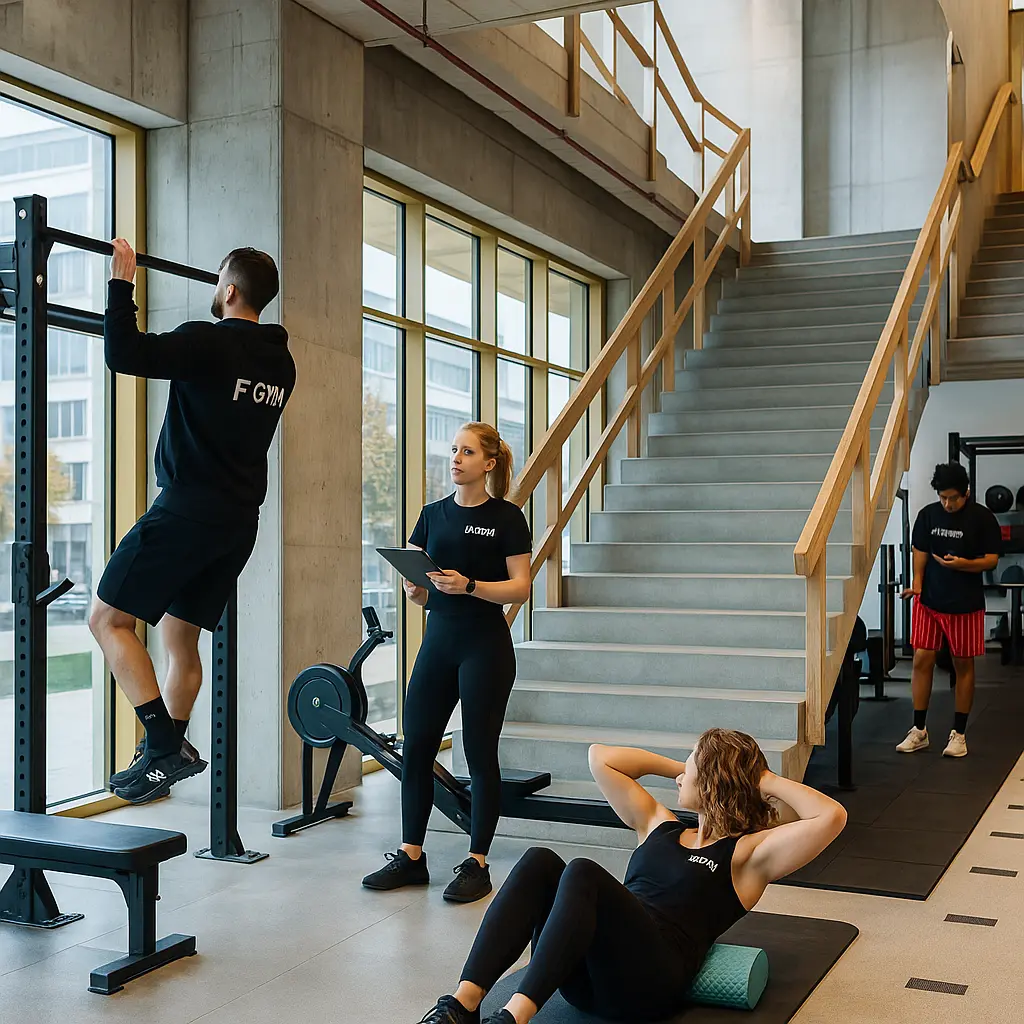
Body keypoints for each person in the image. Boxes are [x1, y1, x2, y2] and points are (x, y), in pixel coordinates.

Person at [413, 729, 847, 1024]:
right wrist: (689, 765)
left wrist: (763, 778)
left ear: (714, 779)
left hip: (649, 984)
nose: (682, 772)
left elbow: (831, 817)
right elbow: (600, 757)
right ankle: (462, 1004)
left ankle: (514, 1015)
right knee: (539, 860)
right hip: (586, 977)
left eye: (692, 763)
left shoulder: (747, 855)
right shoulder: (658, 824)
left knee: (582, 872)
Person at [89, 239, 295, 804]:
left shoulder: (207, 340)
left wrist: (121, 284)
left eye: (217, 282)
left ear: (229, 291)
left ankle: (160, 743)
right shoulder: (281, 362)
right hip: (237, 524)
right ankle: (165, 755)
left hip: (187, 510)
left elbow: (124, 354)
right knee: (180, 638)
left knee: (106, 619)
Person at [362, 423, 532, 904]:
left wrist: (472, 585)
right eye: (454, 450)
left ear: (489, 464)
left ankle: (477, 863)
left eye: (467, 452)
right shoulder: (431, 515)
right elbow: (418, 589)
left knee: (479, 756)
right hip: (438, 642)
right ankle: (411, 855)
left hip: (485, 646)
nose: (455, 458)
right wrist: (414, 589)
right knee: (416, 749)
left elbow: (520, 586)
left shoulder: (506, 517)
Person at [897, 462, 1001, 759]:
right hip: (929, 600)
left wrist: (964, 565)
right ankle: (919, 731)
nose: (948, 503)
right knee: (921, 659)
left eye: (953, 498)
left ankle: (959, 735)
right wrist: (917, 583)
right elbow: (920, 550)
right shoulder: (928, 515)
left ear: (965, 493)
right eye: (943, 497)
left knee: (963, 665)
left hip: (965, 604)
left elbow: (991, 559)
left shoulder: (982, 518)